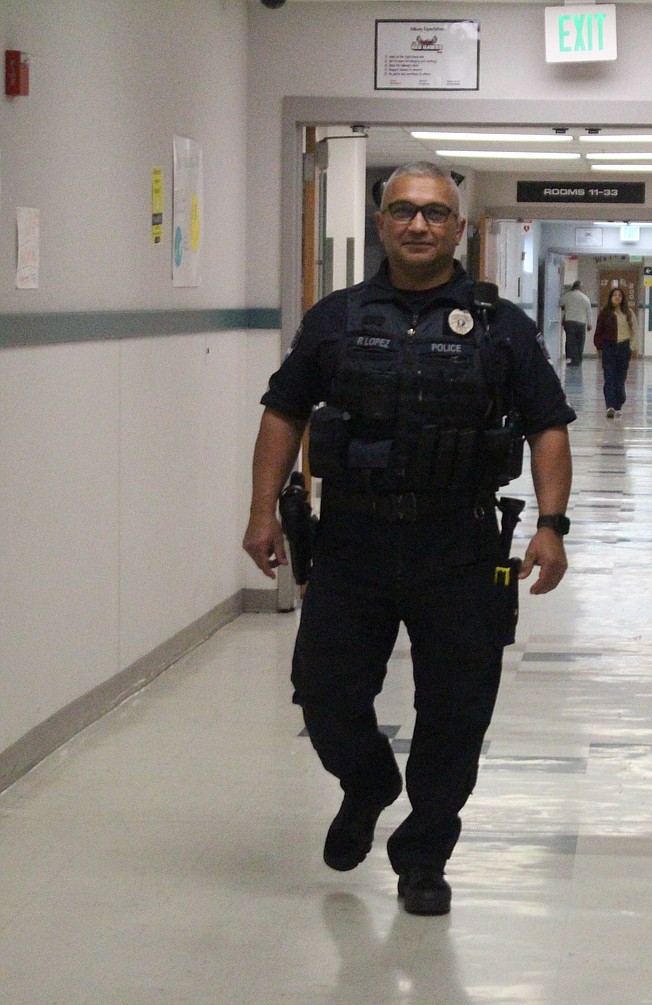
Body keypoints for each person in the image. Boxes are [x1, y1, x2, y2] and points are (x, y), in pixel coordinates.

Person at [242, 162, 575, 917]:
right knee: (324, 692)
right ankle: (367, 782)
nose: (418, 225)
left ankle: (424, 852)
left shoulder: (499, 325)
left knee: (457, 710)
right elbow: (283, 412)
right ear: (383, 222)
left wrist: (552, 525)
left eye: (434, 213)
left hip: (458, 541)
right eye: (403, 211)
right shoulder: (338, 316)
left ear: (458, 229)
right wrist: (263, 509)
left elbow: (546, 425)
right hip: (353, 539)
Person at [593, 286, 638, 418]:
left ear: (622, 298)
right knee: (609, 377)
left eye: (619, 295)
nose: (617, 297)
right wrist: (600, 346)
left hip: (624, 348)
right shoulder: (605, 313)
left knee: (620, 379)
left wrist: (631, 347)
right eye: (614, 295)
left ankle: (619, 403)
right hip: (609, 348)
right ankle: (610, 406)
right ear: (610, 298)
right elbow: (598, 332)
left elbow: (635, 331)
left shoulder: (628, 313)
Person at [558, 279, 592, 366]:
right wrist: (589, 324)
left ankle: (570, 360)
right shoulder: (585, 298)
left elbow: (560, 303)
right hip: (581, 322)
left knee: (570, 341)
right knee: (580, 342)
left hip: (569, 322)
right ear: (580, 287)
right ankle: (579, 360)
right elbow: (589, 312)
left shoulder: (567, 295)